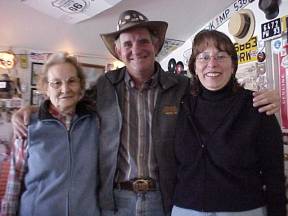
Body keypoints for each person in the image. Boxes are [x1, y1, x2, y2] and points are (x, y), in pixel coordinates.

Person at [11, 10, 281, 216]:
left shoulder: (182, 87)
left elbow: (216, 94)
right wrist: (33, 110)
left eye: (143, 41)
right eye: (127, 44)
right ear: (118, 50)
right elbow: (67, 101)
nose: (135, 49)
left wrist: (267, 96)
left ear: (156, 45)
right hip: (117, 199)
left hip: (163, 198)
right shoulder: (103, 87)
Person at [172, 30, 286, 216]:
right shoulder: (180, 104)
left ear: (233, 65)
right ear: (194, 66)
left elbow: (274, 175)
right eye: (204, 57)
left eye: (221, 56)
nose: (212, 64)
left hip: (244, 210)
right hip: (185, 208)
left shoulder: (257, 106)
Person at [1, 53, 100, 216]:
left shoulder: (95, 123)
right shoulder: (27, 126)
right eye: (56, 83)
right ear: (45, 88)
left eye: (72, 81)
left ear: (81, 85)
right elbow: (13, 184)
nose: (65, 89)